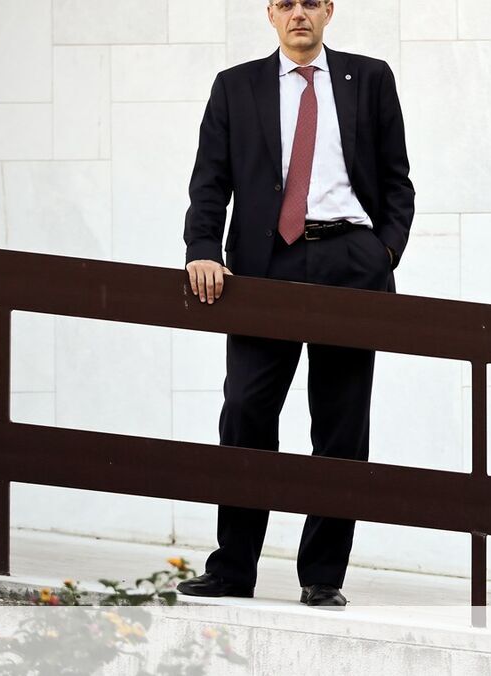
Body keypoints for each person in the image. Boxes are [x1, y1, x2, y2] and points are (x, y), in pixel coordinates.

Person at [177, 0, 414, 608]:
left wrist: (383, 251)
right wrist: (202, 249)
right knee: (245, 412)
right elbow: (210, 181)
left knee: (341, 424)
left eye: (310, 2)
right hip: (264, 266)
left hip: (350, 262)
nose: (298, 14)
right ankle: (233, 568)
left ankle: (323, 576)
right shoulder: (235, 87)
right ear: (271, 15)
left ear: (329, 11)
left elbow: (397, 179)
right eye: (286, 4)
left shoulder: (371, 78)